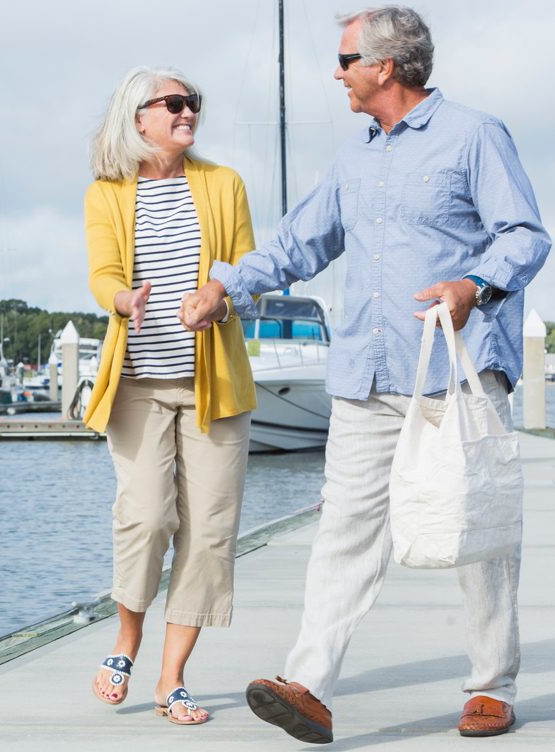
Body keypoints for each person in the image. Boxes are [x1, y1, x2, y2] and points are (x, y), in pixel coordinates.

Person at [180, 5, 551, 744]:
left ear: (384, 66)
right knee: (344, 529)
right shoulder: (353, 159)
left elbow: (524, 234)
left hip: (458, 370)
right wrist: (227, 285)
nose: (336, 72)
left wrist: (471, 286)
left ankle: (490, 687)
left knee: (473, 529)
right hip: (363, 373)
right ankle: (309, 687)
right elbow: (298, 242)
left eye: (346, 59)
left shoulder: (473, 135)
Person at [84, 66, 256, 726]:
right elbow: (102, 270)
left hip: (213, 389)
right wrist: (121, 300)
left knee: (210, 535)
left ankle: (171, 677)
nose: (188, 112)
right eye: (175, 103)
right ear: (139, 118)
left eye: (194, 104)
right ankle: (126, 638)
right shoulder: (106, 192)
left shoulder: (222, 184)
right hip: (137, 386)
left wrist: (218, 302)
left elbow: (245, 275)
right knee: (147, 518)